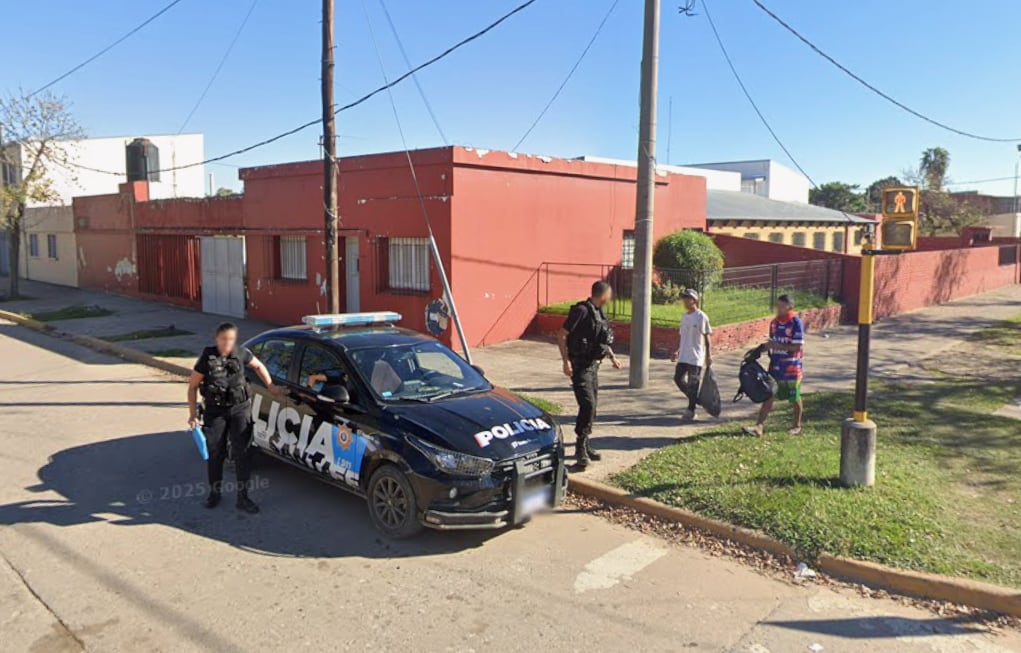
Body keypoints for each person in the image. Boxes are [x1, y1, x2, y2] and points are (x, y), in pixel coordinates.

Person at [187, 322, 282, 513]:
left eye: (231, 339)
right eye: (223, 339)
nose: (227, 343)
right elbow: (192, 386)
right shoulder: (207, 357)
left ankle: (243, 497)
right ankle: (215, 494)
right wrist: (192, 415)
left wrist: (271, 386)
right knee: (216, 453)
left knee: (243, 453)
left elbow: (258, 366)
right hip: (215, 412)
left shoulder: (241, 353)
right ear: (216, 339)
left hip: (240, 409)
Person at [557, 281, 623, 468]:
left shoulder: (599, 312)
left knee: (592, 407)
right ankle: (579, 448)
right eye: (609, 295)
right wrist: (565, 360)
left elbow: (601, 339)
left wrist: (612, 357)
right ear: (603, 295)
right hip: (580, 366)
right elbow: (561, 334)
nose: (610, 298)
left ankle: (586, 444)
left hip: (593, 366)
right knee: (587, 405)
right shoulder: (581, 311)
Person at [743, 295, 805, 437]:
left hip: (791, 367)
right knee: (769, 394)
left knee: (794, 396)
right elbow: (772, 342)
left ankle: (797, 425)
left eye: (782, 306)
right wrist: (759, 350)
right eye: (777, 305)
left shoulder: (796, 323)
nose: (778, 308)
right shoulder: (774, 323)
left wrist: (778, 345)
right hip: (775, 365)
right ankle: (759, 426)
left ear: (790, 307)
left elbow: (797, 347)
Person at [670, 288, 712, 420]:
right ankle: (696, 399)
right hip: (684, 355)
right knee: (678, 379)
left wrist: (709, 356)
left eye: (687, 298)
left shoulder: (701, 317)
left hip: (696, 356)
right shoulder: (684, 317)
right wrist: (677, 351)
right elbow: (682, 336)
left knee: (693, 383)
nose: (684, 301)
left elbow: (707, 337)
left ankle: (691, 410)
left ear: (694, 300)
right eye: (684, 298)